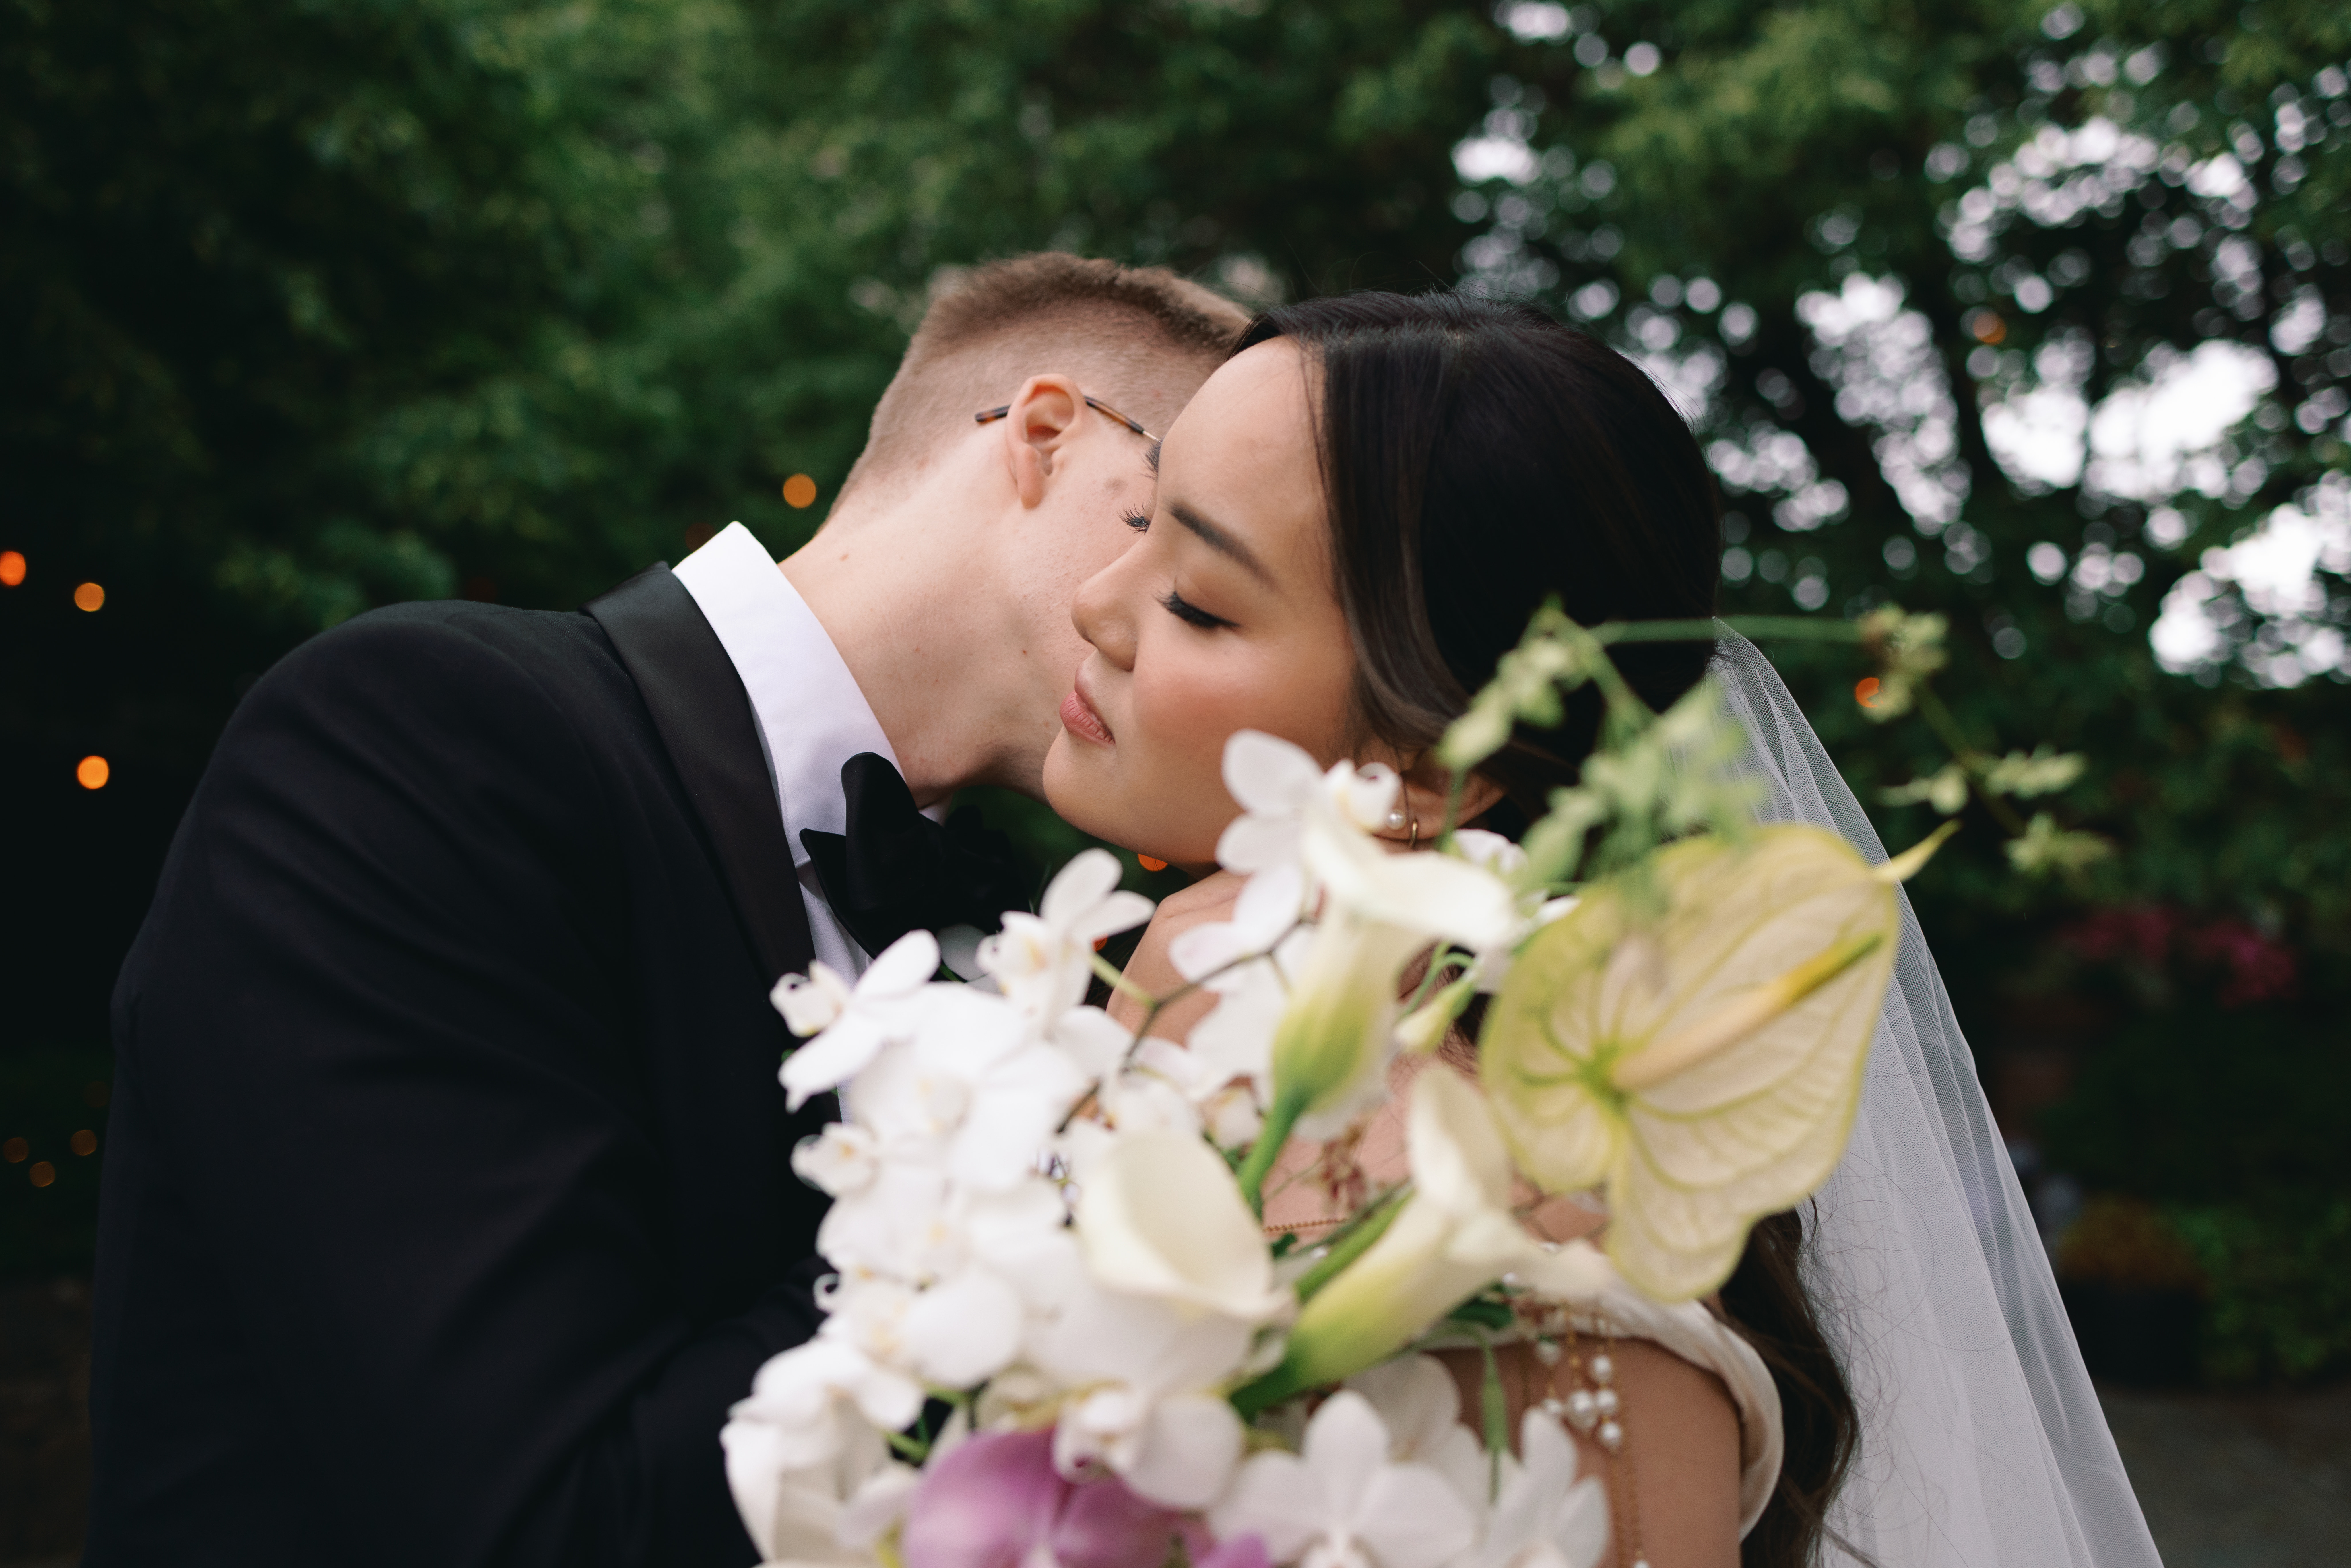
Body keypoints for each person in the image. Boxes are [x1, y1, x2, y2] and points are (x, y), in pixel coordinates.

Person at [84, 253, 1252, 1565]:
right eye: (1186, 545)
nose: (1194, 636)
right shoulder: (423, 736)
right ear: (1043, 436)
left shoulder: (1020, 951)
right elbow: (539, 1520)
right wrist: (1068, 1151)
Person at [1043, 293, 2164, 1567]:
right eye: (1138, 521)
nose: (1093, 601)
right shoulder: (1181, 977)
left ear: (1433, 770)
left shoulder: (1547, 1274)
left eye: (1197, 601)